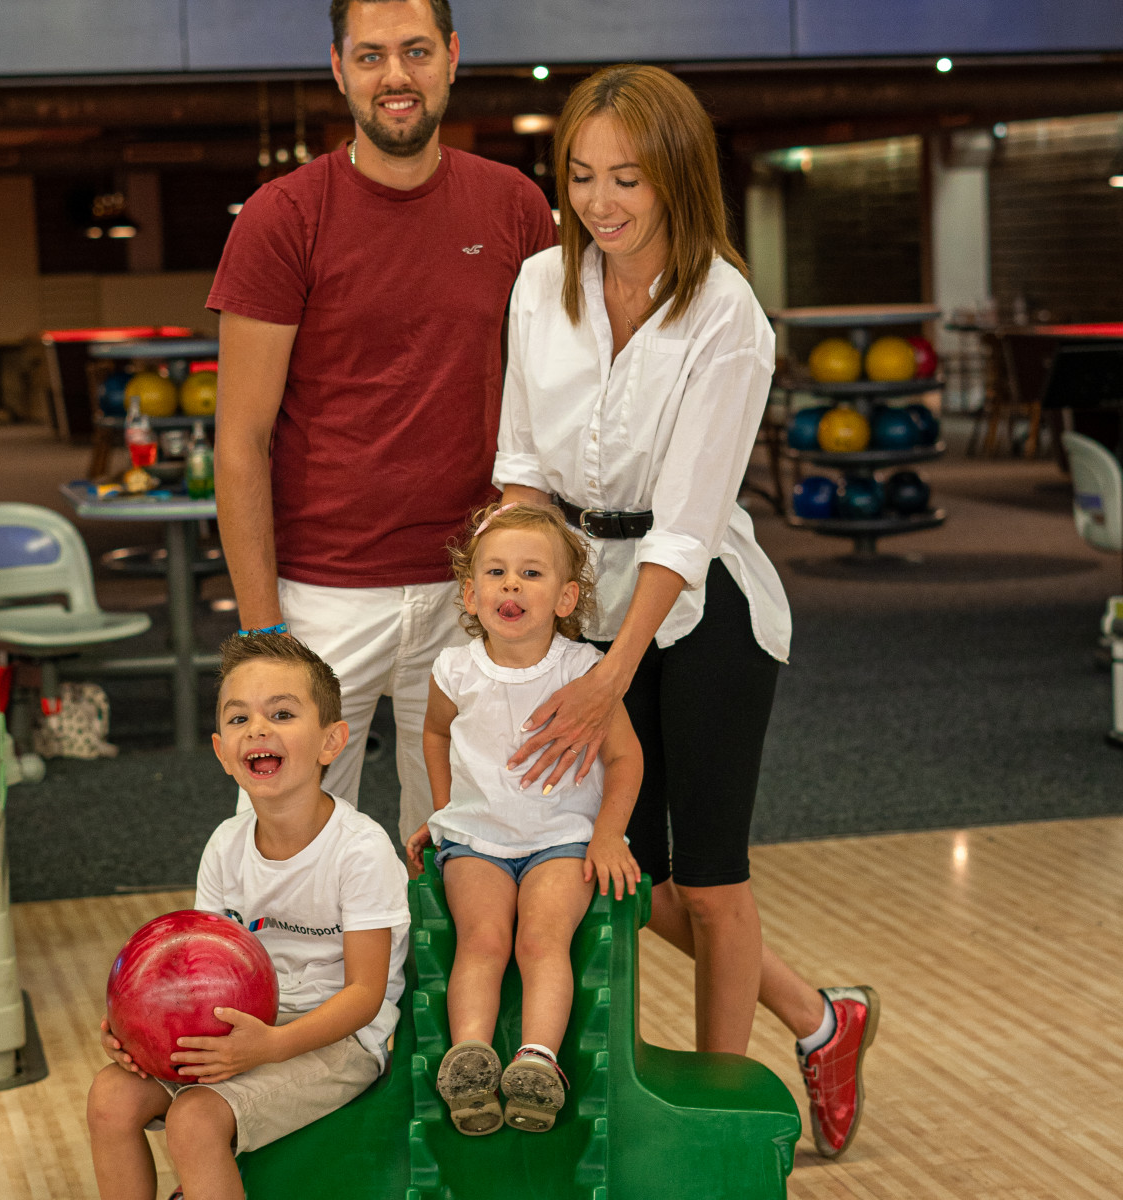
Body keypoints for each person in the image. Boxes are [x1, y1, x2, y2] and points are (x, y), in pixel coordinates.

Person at [492, 64, 878, 1159]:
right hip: (576, 588)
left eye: (629, 178)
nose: (602, 204)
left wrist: (607, 671)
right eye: (581, 177)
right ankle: (819, 1016)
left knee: (708, 885)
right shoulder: (536, 284)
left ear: (678, 180)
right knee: (615, 869)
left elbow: (686, 529)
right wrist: (532, 608)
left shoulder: (727, 315)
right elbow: (521, 461)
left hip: (700, 607)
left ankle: (722, 1127)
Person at [209, 0, 557, 845]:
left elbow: (545, 399)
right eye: (371, 57)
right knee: (291, 844)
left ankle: (423, 986)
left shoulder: (514, 208)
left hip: (468, 589)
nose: (394, 76)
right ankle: (306, 987)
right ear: (338, 68)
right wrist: (264, 635)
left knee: (457, 840)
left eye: (414, 52)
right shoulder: (281, 218)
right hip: (324, 594)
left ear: (451, 57)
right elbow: (239, 441)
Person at [86, 634, 410, 1200]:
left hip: (340, 1042)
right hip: (241, 1032)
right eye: (239, 718)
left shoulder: (361, 849)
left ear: (332, 741)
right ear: (220, 750)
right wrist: (140, 1035)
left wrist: (269, 1047)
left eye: (281, 713)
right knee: (110, 1098)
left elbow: (365, 994)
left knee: (194, 1120)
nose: (258, 728)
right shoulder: (225, 845)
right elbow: (195, 974)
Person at [404, 501, 642, 1136]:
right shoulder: (453, 670)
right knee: (481, 941)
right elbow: (435, 735)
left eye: (532, 574)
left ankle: (537, 1061)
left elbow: (625, 757)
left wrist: (608, 832)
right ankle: (471, 1060)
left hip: (562, 839)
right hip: (477, 841)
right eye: (497, 572)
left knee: (541, 940)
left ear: (566, 598)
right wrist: (444, 811)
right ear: (471, 591)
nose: (511, 584)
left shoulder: (584, 670)